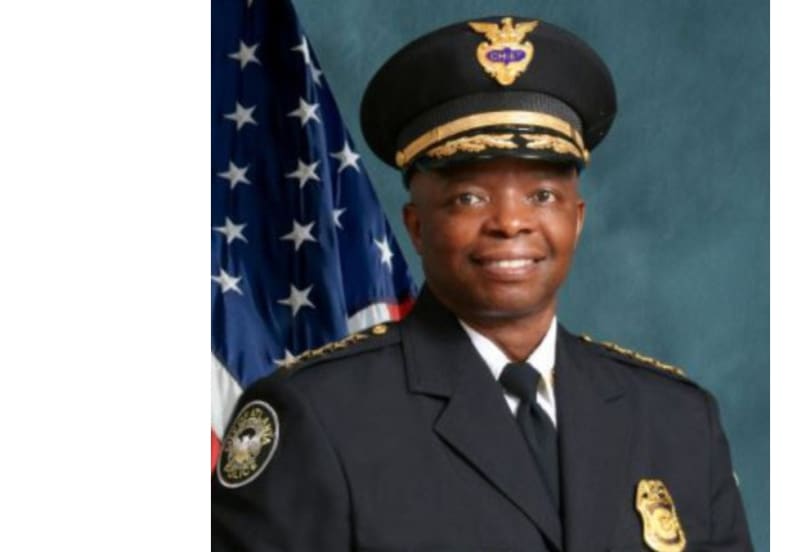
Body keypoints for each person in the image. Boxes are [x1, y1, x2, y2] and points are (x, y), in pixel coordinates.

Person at [212, 15, 753, 552]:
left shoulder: (678, 420)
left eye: (542, 196)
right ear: (417, 227)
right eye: (469, 197)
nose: (511, 222)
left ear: (577, 219)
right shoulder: (317, 417)